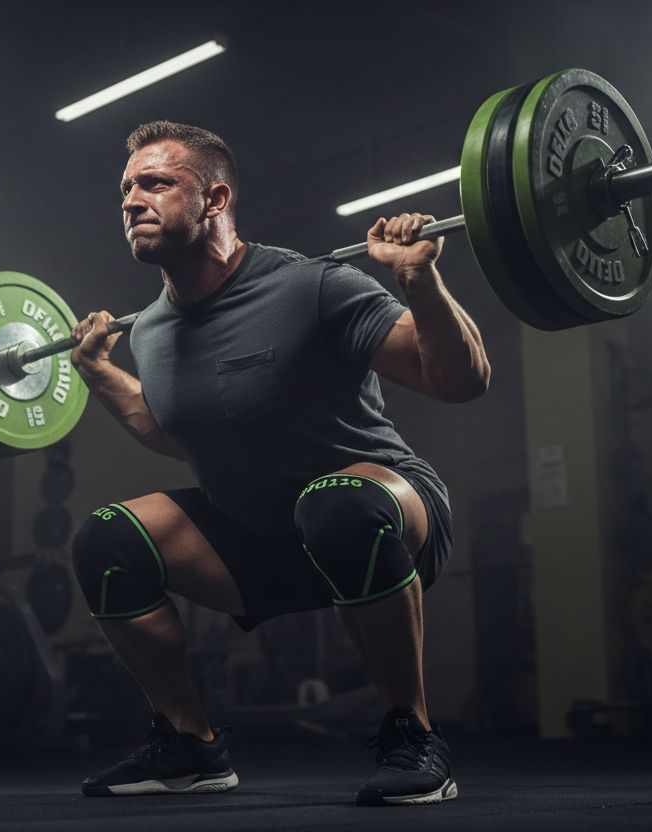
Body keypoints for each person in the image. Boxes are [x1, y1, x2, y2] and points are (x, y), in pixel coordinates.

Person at [68, 120, 489, 806]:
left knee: (335, 504)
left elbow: (461, 381)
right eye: (125, 188)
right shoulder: (148, 331)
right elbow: (180, 430)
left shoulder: (313, 285)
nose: (131, 200)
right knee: (107, 540)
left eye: (155, 183)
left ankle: (413, 736)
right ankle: (190, 744)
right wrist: (100, 375)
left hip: (382, 510)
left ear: (214, 198)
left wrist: (420, 282)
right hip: (263, 537)